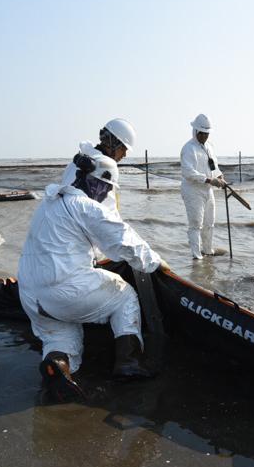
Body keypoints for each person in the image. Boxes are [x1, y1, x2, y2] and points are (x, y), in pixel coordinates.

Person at [18, 149, 166, 401]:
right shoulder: (85, 207)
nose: (106, 194)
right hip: (62, 290)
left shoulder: (50, 201)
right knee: (125, 295)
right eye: (106, 188)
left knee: (63, 337)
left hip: (30, 295)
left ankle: (58, 366)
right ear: (96, 183)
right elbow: (125, 242)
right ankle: (129, 362)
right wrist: (157, 263)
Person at [60, 118, 138, 215]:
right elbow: (109, 216)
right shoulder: (104, 170)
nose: (124, 155)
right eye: (123, 149)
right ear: (113, 144)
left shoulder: (74, 163)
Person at [180, 113, 226, 259]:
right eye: (202, 134)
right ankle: (196, 255)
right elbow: (188, 173)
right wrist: (209, 180)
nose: (205, 137)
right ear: (195, 131)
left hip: (207, 190)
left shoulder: (209, 147)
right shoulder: (188, 149)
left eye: (207, 134)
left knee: (209, 223)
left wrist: (219, 176)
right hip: (193, 191)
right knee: (195, 224)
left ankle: (208, 250)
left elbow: (214, 167)